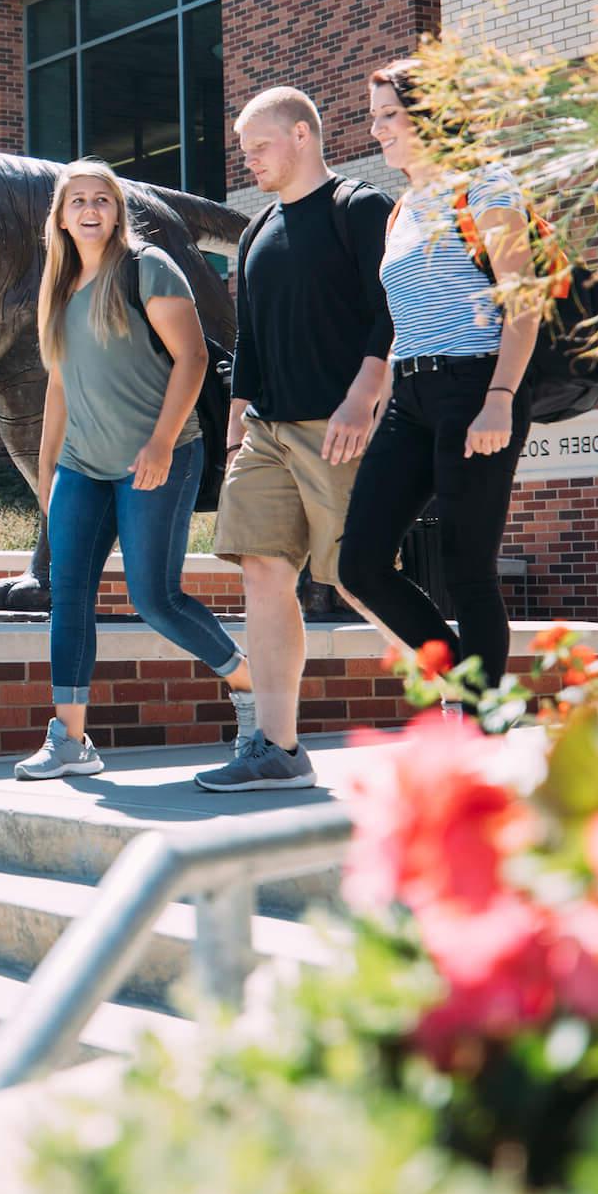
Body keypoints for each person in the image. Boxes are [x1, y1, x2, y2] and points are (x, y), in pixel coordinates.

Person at [194, 88, 396, 793]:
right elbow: (248, 344)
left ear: (303, 134)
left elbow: (391, 309)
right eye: (244, 150)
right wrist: (232, 436)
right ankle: (277, 746)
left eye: (260, 146)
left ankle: (472, 705)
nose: (248, 160)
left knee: (364, 577)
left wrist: (363, 398)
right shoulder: (256, 231)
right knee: (262, 572)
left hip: (337, 427)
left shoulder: (360, 209)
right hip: (264, 434)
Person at [16, 160, 243, 781]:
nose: (90, 210)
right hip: (83, 466)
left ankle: (249, 685)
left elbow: (193, 358)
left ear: (117, 211)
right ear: (60, 217)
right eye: (77, 201)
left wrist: (163, 443)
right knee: (68, 596)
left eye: (103, 200)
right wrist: (46, 468)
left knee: (155, 598)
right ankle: (70, 739)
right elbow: (59, 385)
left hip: (158, 457)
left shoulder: (148, 267)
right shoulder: (58, 287)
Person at [335, 59, 542, 682]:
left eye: (389, 114)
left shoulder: (485, 186)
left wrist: (501, 396)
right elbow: (405, 318)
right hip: (413, 396)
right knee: (360, 566)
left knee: (466, 568)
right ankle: (472, 684)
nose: (377, 129)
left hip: (477, 384)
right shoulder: (402, 212)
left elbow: (524, 299)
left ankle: (484, 725)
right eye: (374, 117)